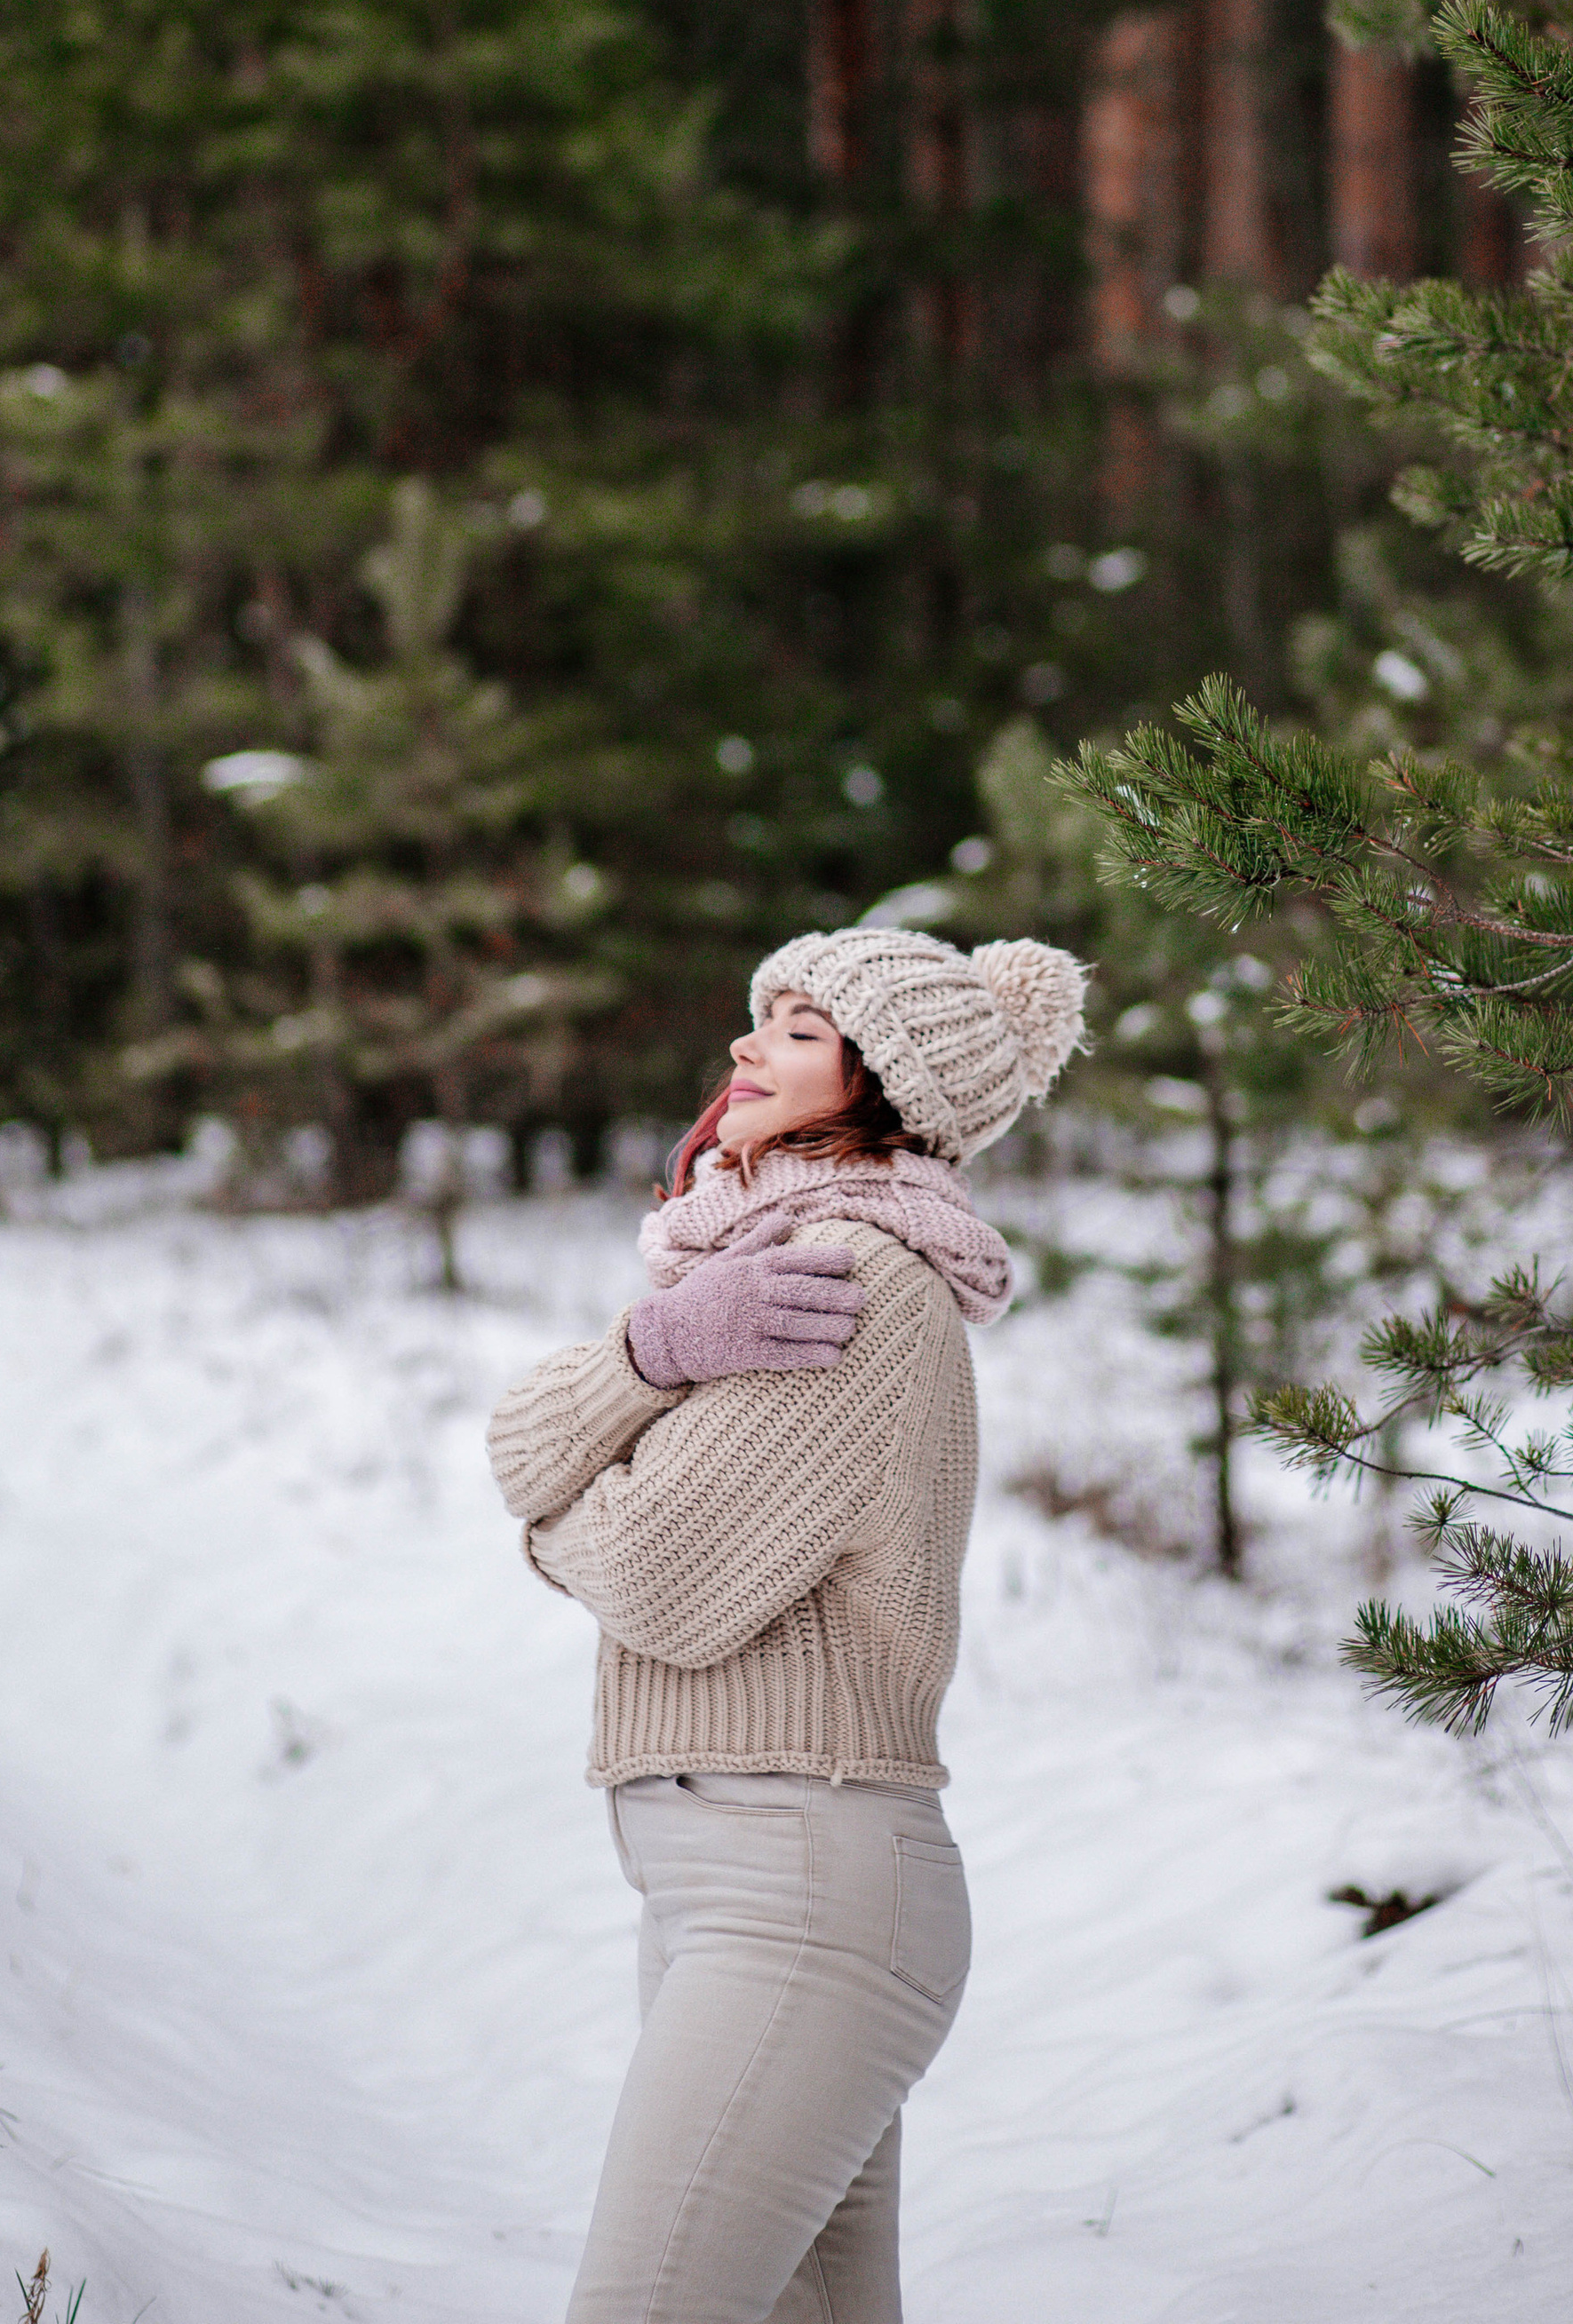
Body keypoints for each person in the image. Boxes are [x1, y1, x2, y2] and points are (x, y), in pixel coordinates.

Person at [487, 923, 1090, 2324]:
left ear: (887, 1085)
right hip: (730, 1878)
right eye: (761, 1020)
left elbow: (656, 1577)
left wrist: (547, 1531)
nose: (748, 1046)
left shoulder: (854, 1282)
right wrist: (650, 1352)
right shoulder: (744, 1274)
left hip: (801, 1891)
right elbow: (521, 1437)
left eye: (803, 1030)